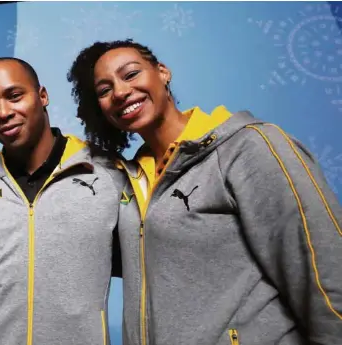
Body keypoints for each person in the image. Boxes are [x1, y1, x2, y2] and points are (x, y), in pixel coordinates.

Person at [67, 39, 342, 345]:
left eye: (130, 74)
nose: (120, 92)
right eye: (104, 91)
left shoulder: (248, 147)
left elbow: (325, 268)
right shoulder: (129, 181)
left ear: (162, 72)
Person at [0, 57, 125, 345]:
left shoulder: (106, 174)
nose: (3, 112)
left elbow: (148, 270)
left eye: (14, 96)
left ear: (43, 96)